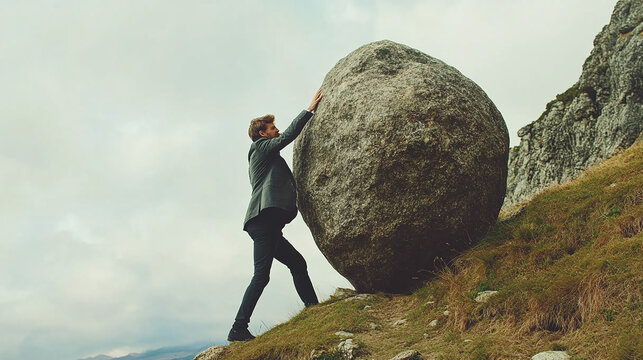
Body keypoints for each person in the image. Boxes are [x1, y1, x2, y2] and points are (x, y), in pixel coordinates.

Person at [227, 88, 323, 342]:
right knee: (261, 275)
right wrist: (309, 110)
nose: (276, 130)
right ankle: (238, 328)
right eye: (272, 128)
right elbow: (287, 136)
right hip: (262, 221)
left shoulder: (266, 154)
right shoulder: (261, 148)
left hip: (268, 225)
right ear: (262, 134)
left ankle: (313, 310)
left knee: (297, 263)